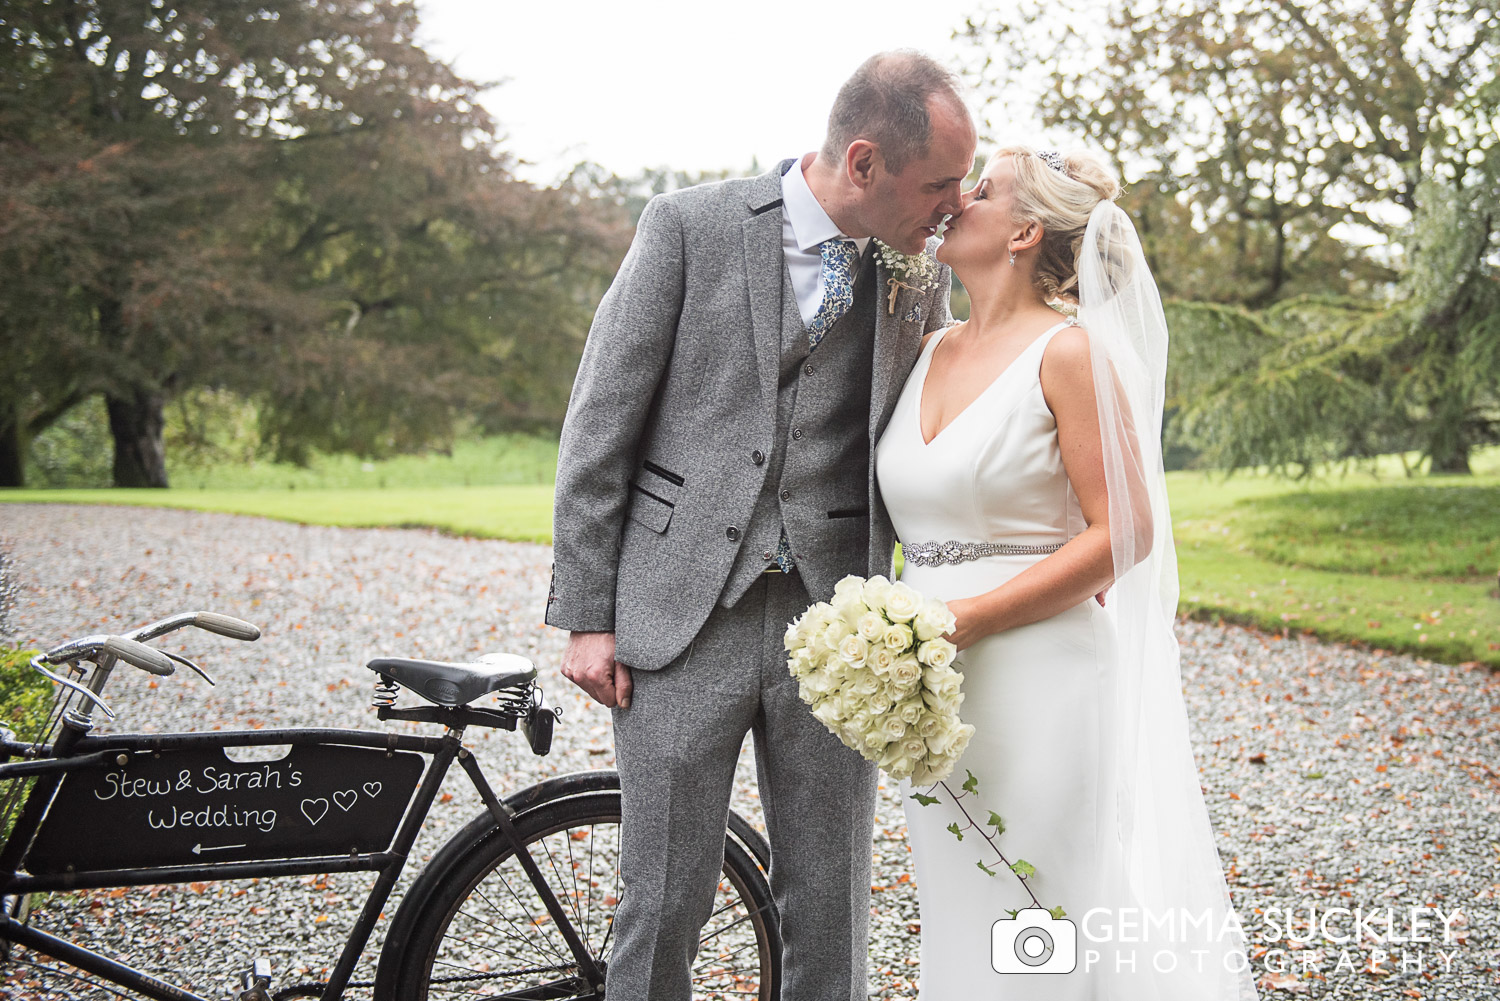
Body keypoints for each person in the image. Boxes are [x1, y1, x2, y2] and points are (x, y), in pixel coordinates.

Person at [545, 51, 976, 1001]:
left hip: (840, 627)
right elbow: (599, 424)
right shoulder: (688, 227)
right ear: (864, 162)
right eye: (940, 183)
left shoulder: (914, 272)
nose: (954, 205)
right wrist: (586, 615)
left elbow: (940, 426)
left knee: (832, 908)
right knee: (661, 903)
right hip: (677, 614)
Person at [874, 146, 1259, 999]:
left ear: (1023, 231)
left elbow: (1125, 530)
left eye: (979, 191)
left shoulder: (1069, 354)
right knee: (962, 903)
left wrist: (970, 617)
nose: (954, 202)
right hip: (927, 679)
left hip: (1038, 673)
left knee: (1039, 909)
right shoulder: (928, 349)